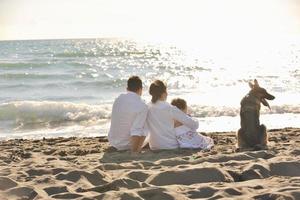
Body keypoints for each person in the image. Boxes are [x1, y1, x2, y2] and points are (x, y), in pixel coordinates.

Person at [146, 80, 199, 150]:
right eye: (166, 91)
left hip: (154, 146)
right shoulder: (170, 108)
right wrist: (194, 119)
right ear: (163, 93)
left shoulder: (146, 107)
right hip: (170, 146)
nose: (167, 94)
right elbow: (194, 125)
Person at [108, 76, 148, 153]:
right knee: (147, 122)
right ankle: (136, 149)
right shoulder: (142, 105)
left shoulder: (118, 99)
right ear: (141, 89)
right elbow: (136, 130)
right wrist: (134, 151)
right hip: (127, 145)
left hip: (113, 142)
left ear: (127, 88)